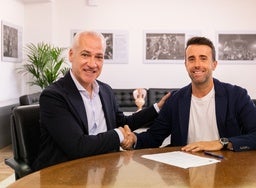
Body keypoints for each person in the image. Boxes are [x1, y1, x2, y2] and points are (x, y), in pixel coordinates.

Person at [32, 31, 170, 171]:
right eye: (85, 55)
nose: (92, 64)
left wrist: (157, 108)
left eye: (99, 57)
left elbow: (123, 122)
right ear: (71, 55)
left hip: (106, 170)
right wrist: (119, 134)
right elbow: (77, 146)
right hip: (65, 175)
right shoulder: (53, 96)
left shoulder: (105, 90)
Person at [124, 36, 256, 152]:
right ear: (186, 64)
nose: (197, 64)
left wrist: (222, 143)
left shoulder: (236, 95)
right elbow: (154, 137)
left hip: (228, 167)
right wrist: (134, 139)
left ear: (214, 64)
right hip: (186, 169)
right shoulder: (175, 100)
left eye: (203, 58)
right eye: (191, 59)